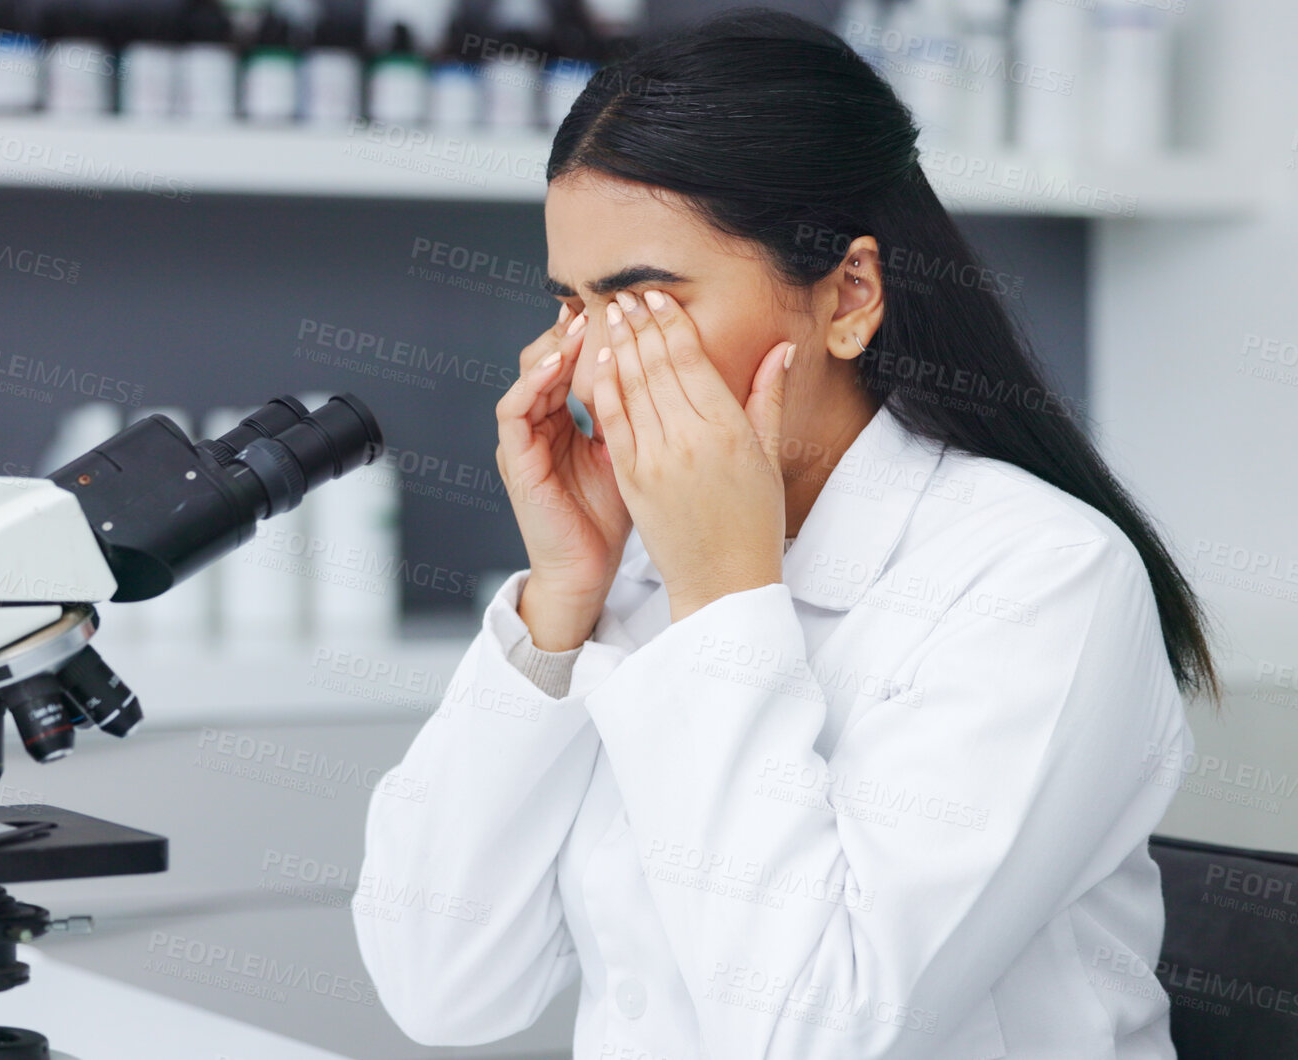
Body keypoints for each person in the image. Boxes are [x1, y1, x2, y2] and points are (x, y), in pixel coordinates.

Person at [352, 8, 1216, 1059]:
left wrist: (722, 593)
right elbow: (441, 988)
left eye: (644, 302)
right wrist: (558, 601)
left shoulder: (1041, 578)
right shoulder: (630, 566)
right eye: (572, 308)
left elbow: (812, 1034)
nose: (588, 363)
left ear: (848, 295)